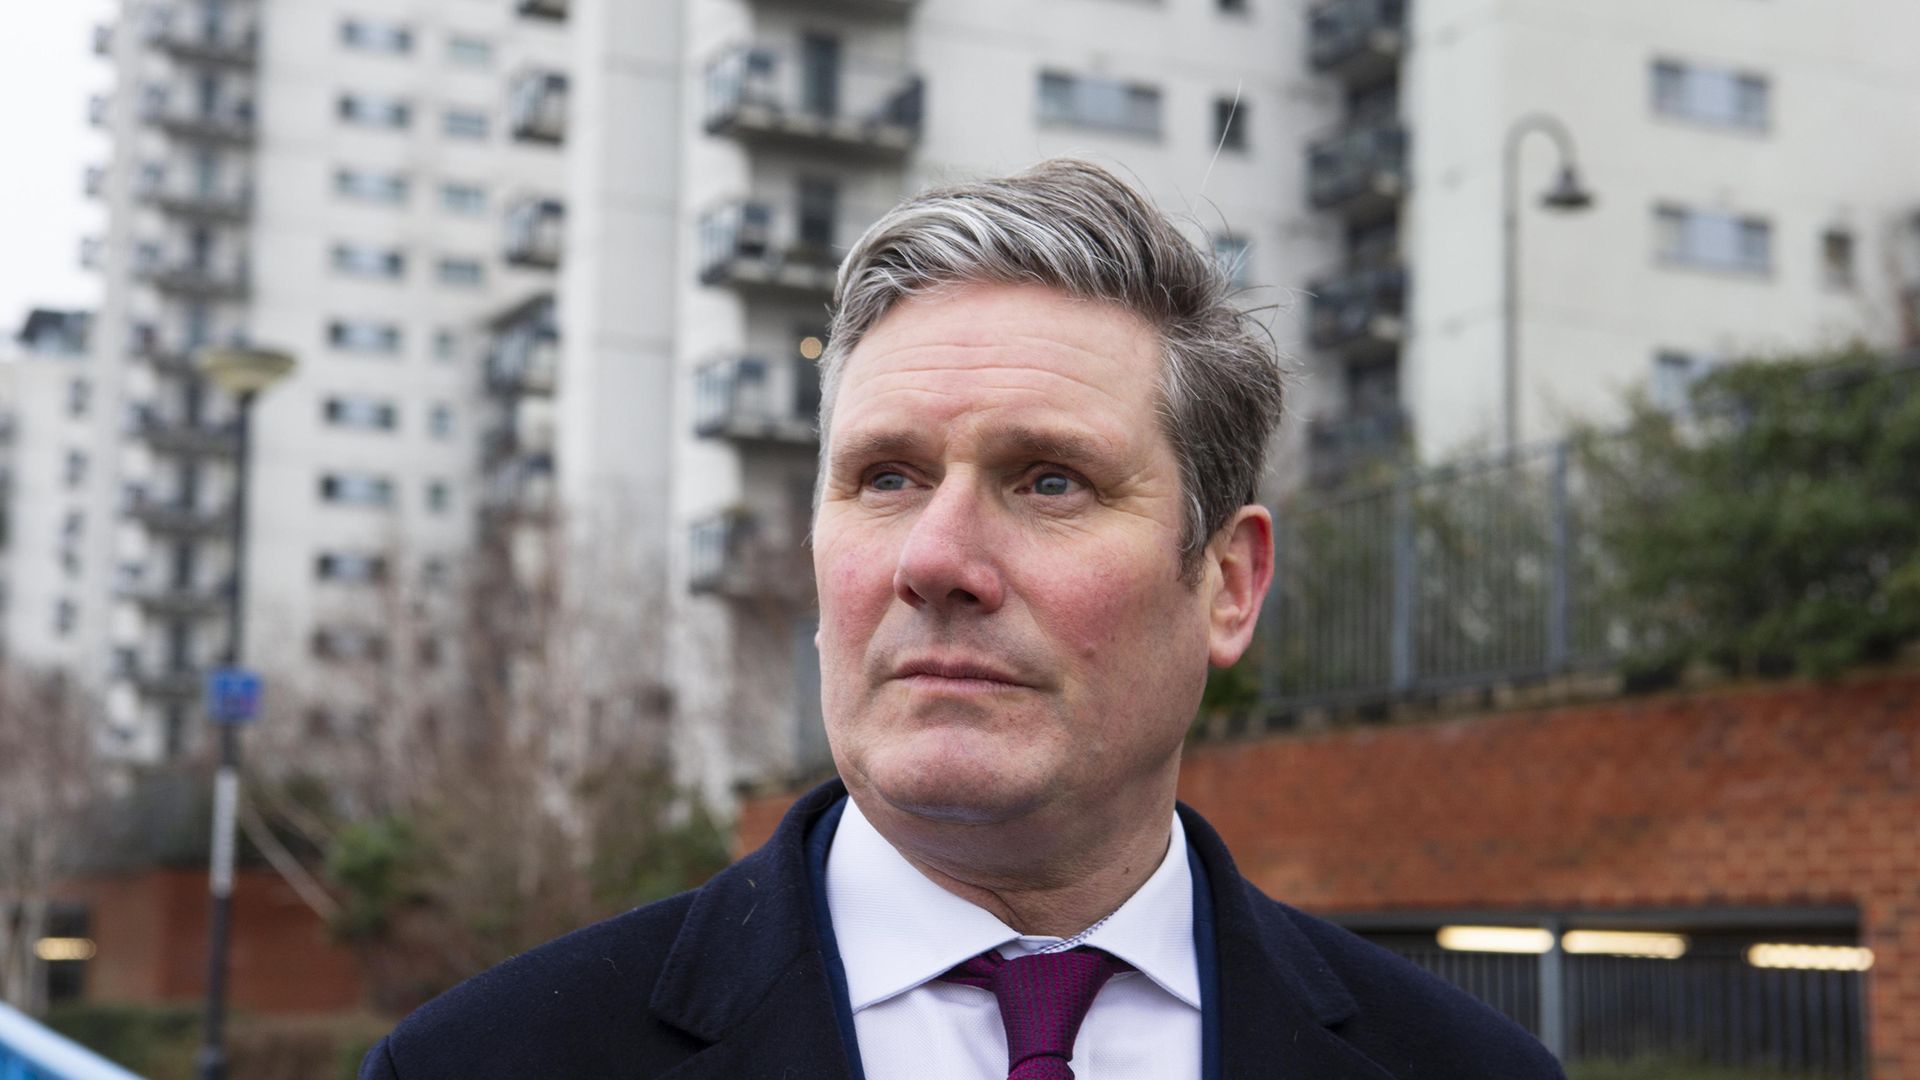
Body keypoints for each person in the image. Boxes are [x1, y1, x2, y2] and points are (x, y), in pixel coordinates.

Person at [360, 159, 1565, 1079]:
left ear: (1228, 582)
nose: (936, 560)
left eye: (1049, 481)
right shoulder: (484, 1061)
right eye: (885, 477)